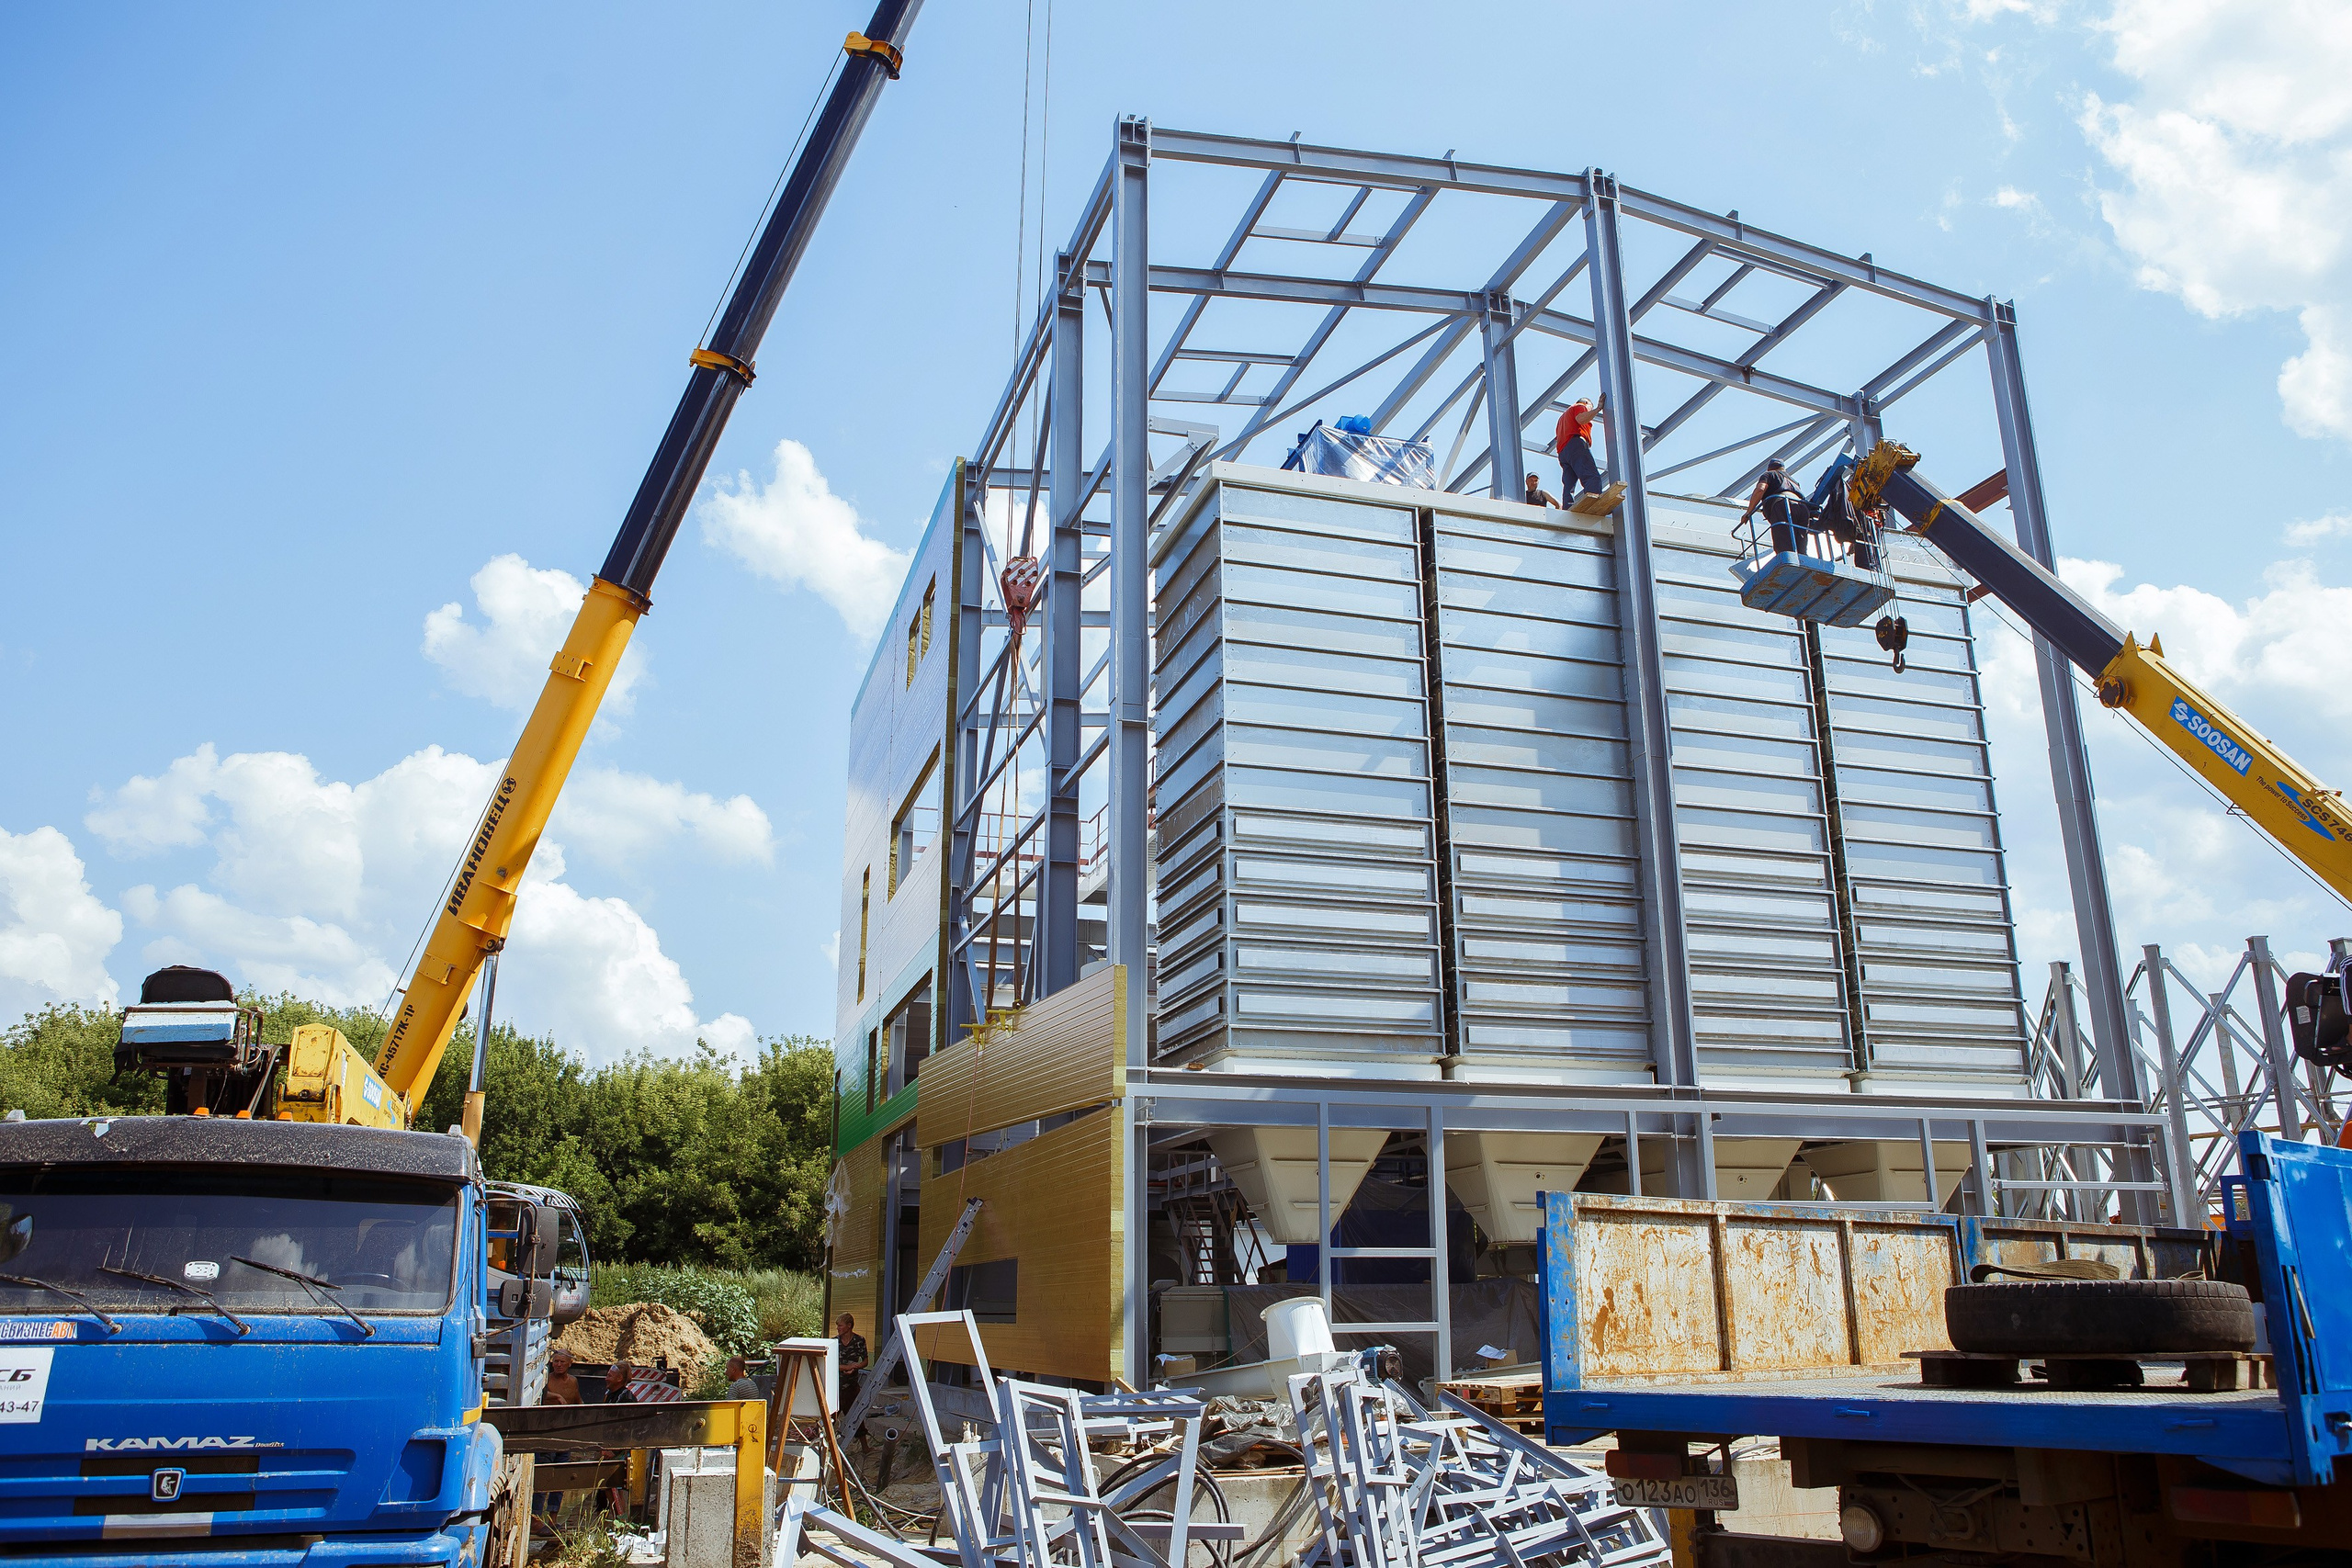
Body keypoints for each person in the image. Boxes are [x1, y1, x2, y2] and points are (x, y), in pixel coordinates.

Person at [1741, 458, 1815, 556]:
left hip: (1783, 505)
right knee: (1800, 545)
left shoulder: (1769, 474)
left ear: (1769, 468)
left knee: (1783, 544)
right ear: (1783, 468)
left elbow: (1760, 489)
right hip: (1802, 508)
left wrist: (1748, 512)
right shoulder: (1794, 482)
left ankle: (1787, 563)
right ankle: (1802, 561)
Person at [1553, 394, 1607, 505]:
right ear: (1586, 404)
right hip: (1575, 445)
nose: (1589, 412)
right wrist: (1597, 409)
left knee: (1569, 482)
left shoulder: (1562, 418)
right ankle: (1594, 501)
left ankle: (1567, 505)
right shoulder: (1580, 406)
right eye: (1589, 408)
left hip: (1563, 452)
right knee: (1591, 476)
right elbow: (1581, 419)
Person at [835, 1313, 869, 1408]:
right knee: (830, 1419)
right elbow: (830, 1365)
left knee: (856, 1418)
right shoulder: (834, 1342)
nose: (838, 1328)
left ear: (849, 1326)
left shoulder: (859, 1340)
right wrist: (846, 1367)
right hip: (836, 1387)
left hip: (852, 1386)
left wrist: (855, 1367)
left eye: (840, 1325)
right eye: (837, 1326)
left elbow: (865, 1361)